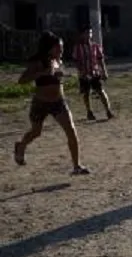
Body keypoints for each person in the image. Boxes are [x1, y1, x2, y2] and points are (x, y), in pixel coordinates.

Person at [13, 31, 90, 175]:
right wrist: (41, 73)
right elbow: (22, 80)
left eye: (62, 47)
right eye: (58, 47)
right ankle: (21, 146)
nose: (61, 50)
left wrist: (63, 75)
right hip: (40, 103)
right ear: (49, 47)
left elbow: (59, 76)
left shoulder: (58, 61)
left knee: (71, 131)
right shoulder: (38, 62)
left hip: (58, 102)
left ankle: (77, 166)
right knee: (36, 132)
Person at [72, 27, 115, 121]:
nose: (89, 35)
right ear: (82, 34)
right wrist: (81, 71)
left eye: (90, 33)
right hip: (84, 73)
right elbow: (76, 61)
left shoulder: (95, 46)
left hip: (94, 72)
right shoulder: (78, 47)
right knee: (86, 93)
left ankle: (108, 110)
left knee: (101, 91)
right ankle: (89, 112)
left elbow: (100, 59)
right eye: (86, 33)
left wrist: (104, 71)